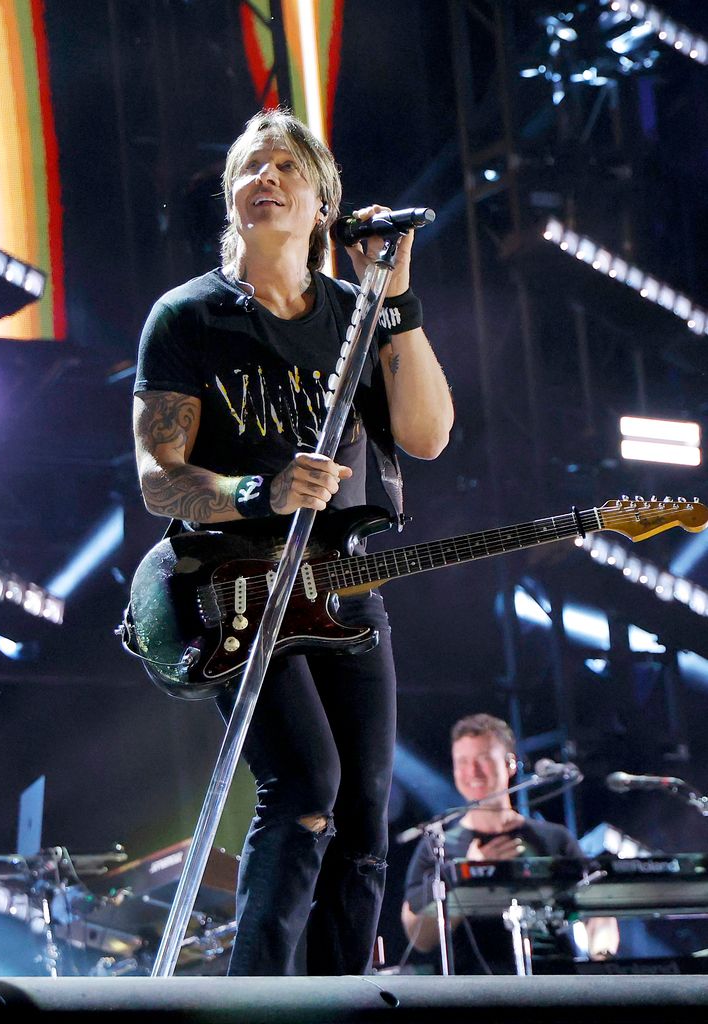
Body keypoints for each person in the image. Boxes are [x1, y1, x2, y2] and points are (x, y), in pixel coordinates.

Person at [132, 107, 454, 976]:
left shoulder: (357, 314)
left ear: (324, 204)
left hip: (342, 582)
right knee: (306, 784)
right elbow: (159, 477)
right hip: (233, 583)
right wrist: (258, 490)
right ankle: (260, 999)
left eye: (286, 167)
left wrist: (396, 297)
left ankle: (341, 993)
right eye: (250, 167)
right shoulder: (188, 316)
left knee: (367, 809)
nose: (265, 178)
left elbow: (427, 435)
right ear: (232, 200)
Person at [401, 713, 619, 973]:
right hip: (471, 989)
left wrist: (602, 962)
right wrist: (468, 875)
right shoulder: (438, 844)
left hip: (554, 984)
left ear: (510, 764)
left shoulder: (554, 838)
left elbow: (597, 907)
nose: (473, 772)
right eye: (462, 762)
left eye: (483, 759)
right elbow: (419, 938)